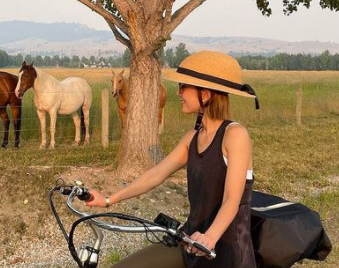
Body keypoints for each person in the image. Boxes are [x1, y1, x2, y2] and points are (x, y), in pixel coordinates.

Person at [86, 51, 259, 267]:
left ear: (205, 95)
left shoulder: (235, 136)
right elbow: (157, 174)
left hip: (225, 252)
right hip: (190, 243)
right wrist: (109, 199)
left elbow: (231, 200)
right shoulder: (192, 139)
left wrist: (209, 237)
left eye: (183, 87)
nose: (178, 93)